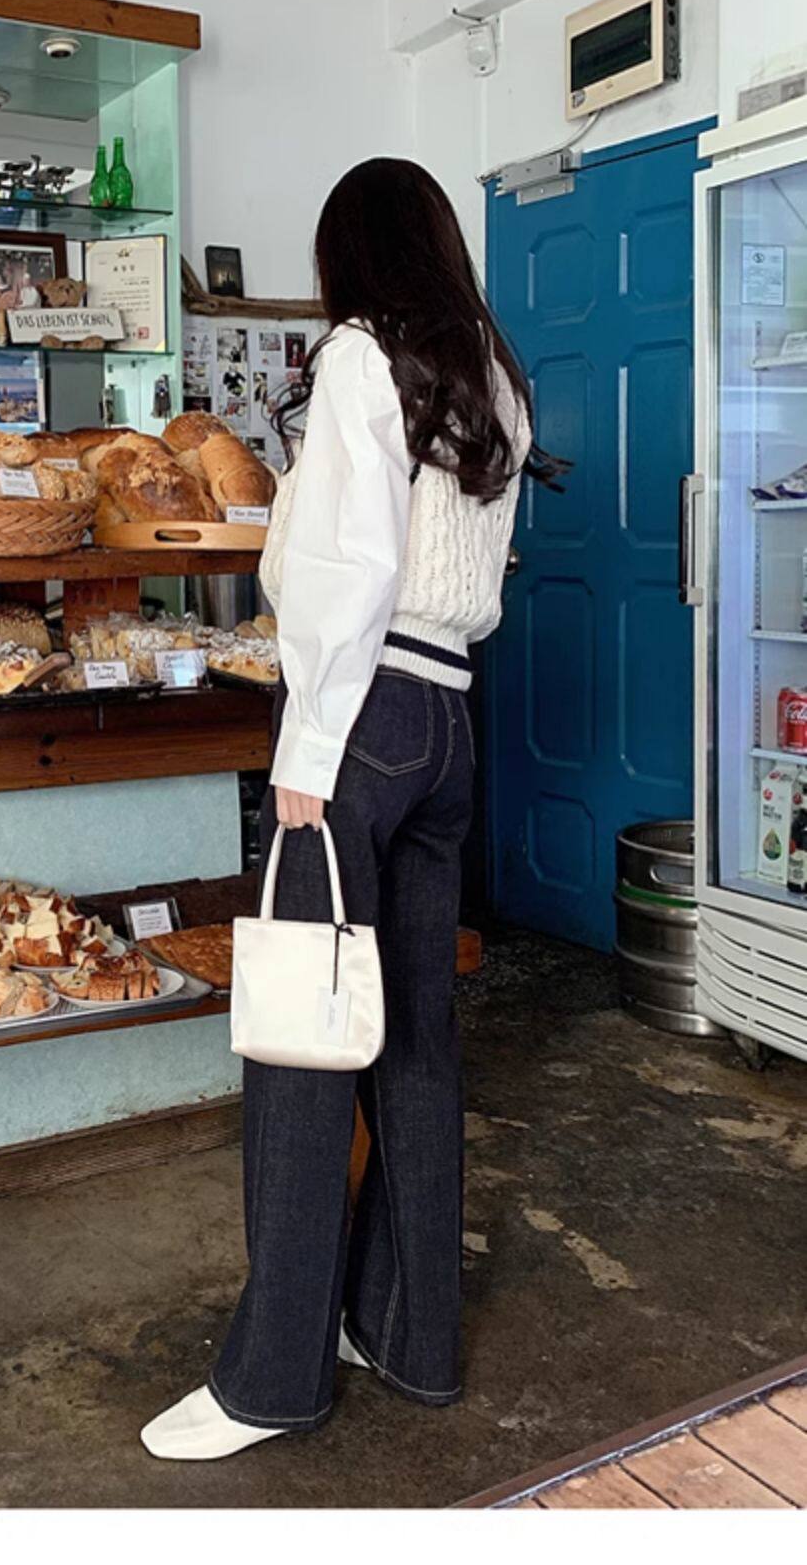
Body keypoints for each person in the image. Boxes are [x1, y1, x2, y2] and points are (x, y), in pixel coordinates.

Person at [142, 157, 561, 1463]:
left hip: (359, 718)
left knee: (299, 1046)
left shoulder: (362, 360)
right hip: (448, 720)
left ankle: (273, 1380)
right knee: (417, 1035)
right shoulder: (493, 377)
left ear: (352, 258)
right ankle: (408, 1333)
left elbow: (342, 568)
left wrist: (309, 744)